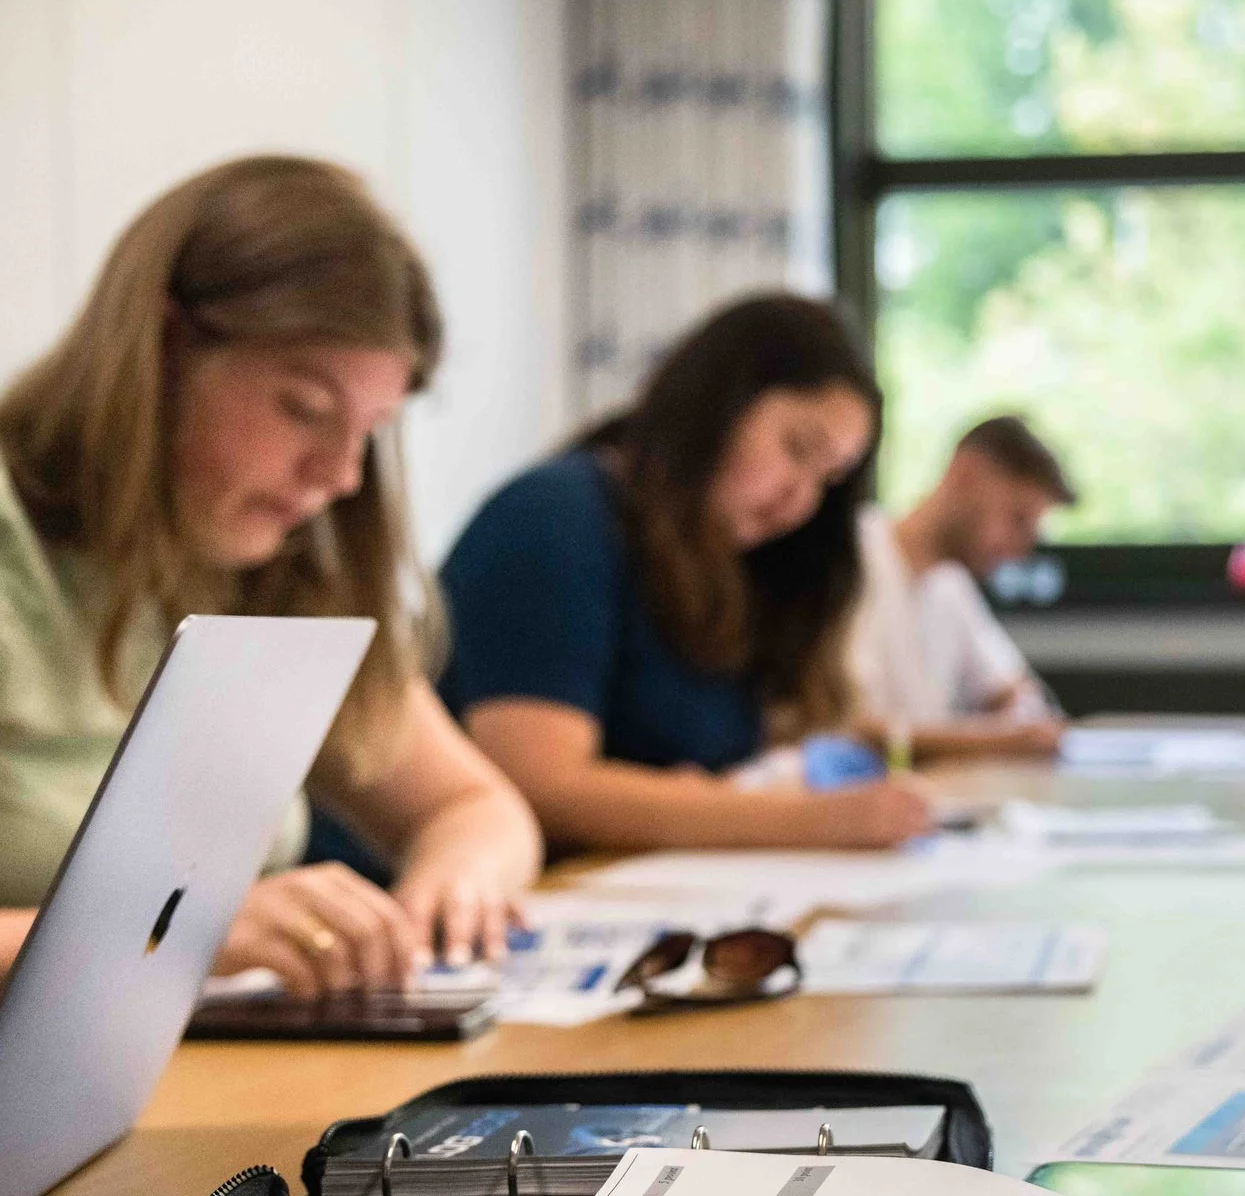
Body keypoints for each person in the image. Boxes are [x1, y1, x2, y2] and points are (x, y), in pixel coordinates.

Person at [0, 156, 542, 1049]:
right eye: (304, 407)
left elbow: (474, 808)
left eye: (370, 432)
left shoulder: (265, 553)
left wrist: (454, 888)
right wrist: (157, 934)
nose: (340, 477)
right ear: (162, 347)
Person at [440, 294, 932, 852]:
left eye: (828, 481)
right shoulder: (555, 516)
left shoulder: (729, 563)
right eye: (797, 449)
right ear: (720, 401)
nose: (800, 502)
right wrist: (814, 820)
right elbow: (538, 783)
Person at [850, 414, 1073, 763]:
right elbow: (845, 727)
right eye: (1017, 518)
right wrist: (998, 740)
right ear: (966, 474)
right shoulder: (854, 556)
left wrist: (1022, 717)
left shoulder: (951, 585)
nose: (1021, 549)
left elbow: (1012, 688)